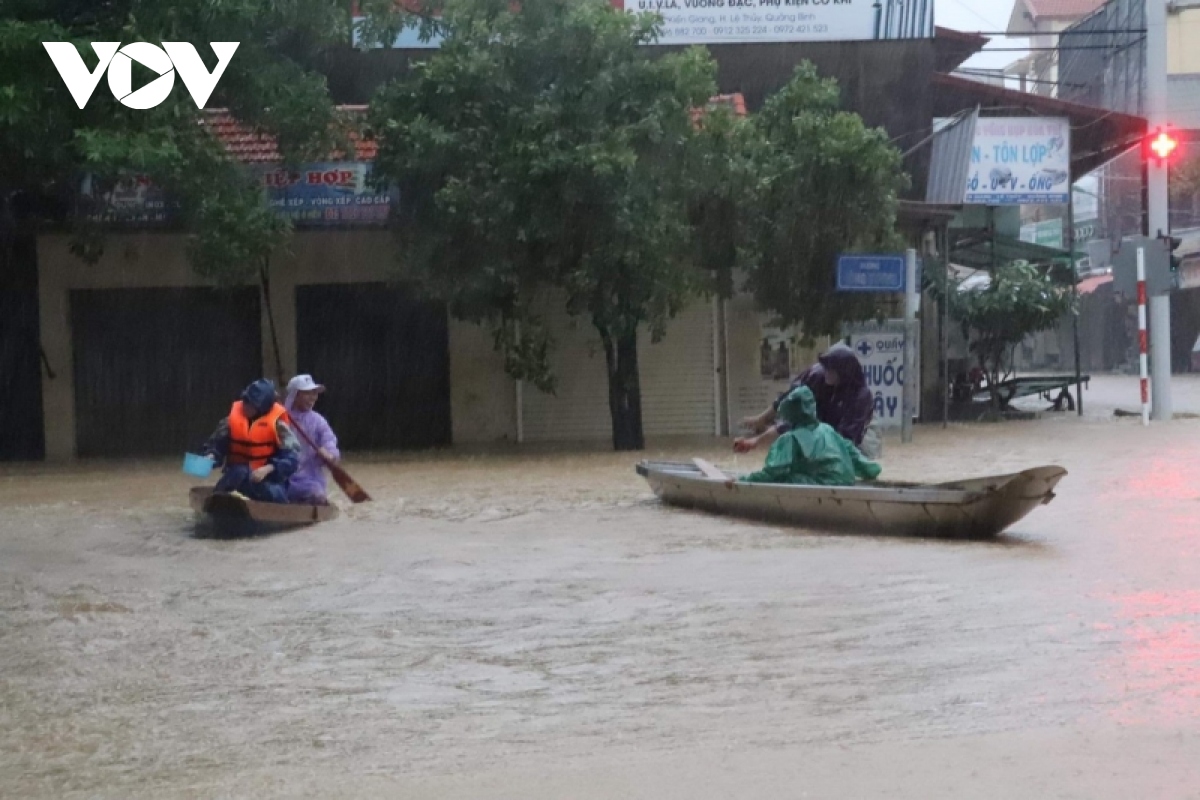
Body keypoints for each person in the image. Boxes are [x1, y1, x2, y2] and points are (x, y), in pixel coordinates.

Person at [737, 342, 880, 458]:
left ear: (844, 372)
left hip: (858, 433)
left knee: (860, 460)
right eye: (826, 368)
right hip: (826, 424)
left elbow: (847, 440)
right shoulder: (816, 377)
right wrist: (756, 439)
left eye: (831, 370)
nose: (827, 373)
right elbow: (791, 415)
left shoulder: (860, 396)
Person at [739, 386, 881, 486]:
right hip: (845, 480)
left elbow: (773, 471)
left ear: (789, 412)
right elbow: (853, 454)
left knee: (783, 477)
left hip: (821, 483)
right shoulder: (828, 429)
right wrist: (872, 471)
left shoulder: (789, 438)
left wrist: (745, 480)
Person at [202, 379, 299, 504]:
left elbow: (292, 460)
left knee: (275, 492)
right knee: (240, 471)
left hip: (268, 482)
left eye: (251, 404)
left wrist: (268, 468)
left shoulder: (279, 427)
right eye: (245, 401)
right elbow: (217, 447)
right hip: (236, 478)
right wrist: (211, 456)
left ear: (263, 407)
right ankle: (225, 499)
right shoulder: (229, 422)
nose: (246, 406)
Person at [283, 374, 341, 505]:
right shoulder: (279, 419)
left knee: (316, 495)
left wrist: (330, 455)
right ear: (295, 395)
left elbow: (329, 441)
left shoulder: (318, 421)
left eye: (314, 393)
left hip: (308, 480)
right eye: (307, 393)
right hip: (281, 478)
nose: (313, 397)